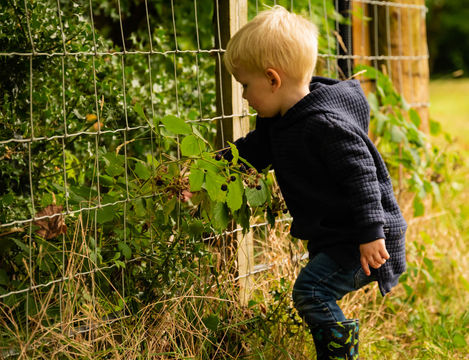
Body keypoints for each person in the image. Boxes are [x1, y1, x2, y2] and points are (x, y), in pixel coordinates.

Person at [222, 5, 407, 360]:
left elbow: (363, 177)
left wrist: (371, 235)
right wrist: (206, 170)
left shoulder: (324, 124)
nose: (244, 96)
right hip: (343, 233)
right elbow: (252, 153)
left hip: (366, 235)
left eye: (246, 86)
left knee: (312, 290)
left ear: (273, 79)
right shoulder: (280, 122)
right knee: (314, 290)